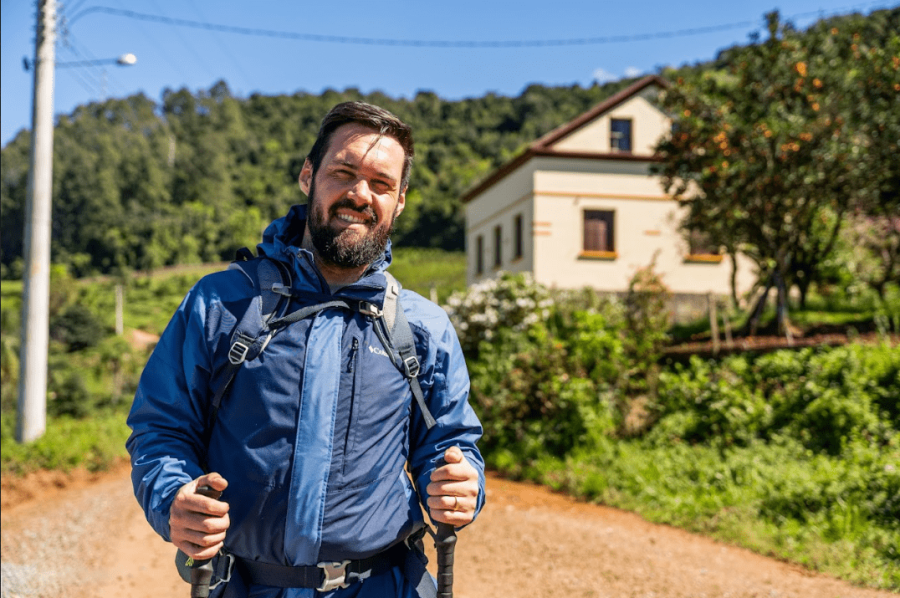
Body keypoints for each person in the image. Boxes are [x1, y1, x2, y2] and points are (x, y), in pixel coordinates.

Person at [126, 101, 486, 598]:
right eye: (344, 172)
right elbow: (161, 429)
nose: (360, 194)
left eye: (381, 183)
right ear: (307, 175)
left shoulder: (423, 327)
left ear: (399, 200)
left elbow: (450, 445)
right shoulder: (221, 302)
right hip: (242, 587)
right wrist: (174, 497)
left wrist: (462, 486)